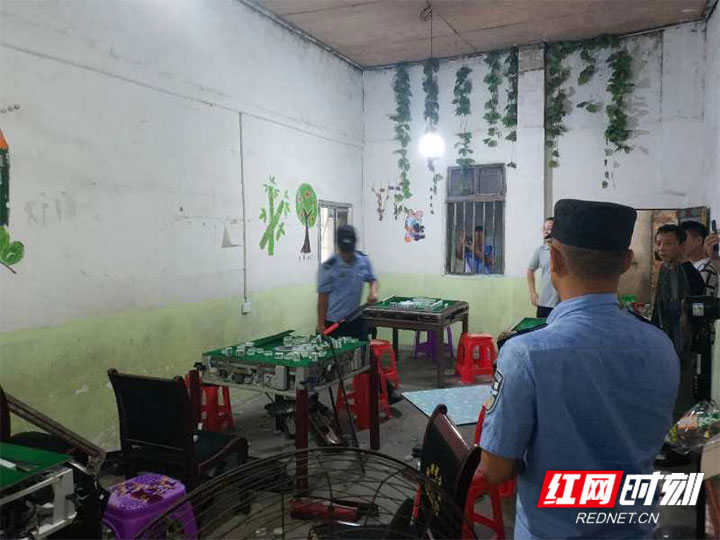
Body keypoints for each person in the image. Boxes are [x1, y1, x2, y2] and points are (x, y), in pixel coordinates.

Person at [479, 199, 679, 539]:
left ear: (554, 259)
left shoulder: (525, 353)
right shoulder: (661, 346)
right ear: (626, 262)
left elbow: (495, 469)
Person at [651, 224, 704, 421]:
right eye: (658, 243)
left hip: (684, 349)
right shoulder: (666, 270)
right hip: (665, 345)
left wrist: (679, 350)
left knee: (681, 401)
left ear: (682, 246)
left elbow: (690, 320)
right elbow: (660, 309)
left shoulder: (690, 275)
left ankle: (681, 439)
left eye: (668, 243)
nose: (662, 248)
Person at [317, 225, 378, 340]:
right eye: (344, 251)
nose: (347, 255)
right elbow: (322, 299)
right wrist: (320, 324)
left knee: (365, 348)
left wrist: (373, 292)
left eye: (349, 250)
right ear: (338, 246)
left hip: (355, 318)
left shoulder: (363, 261)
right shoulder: (329, 266)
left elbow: (373, 279)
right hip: (334, 322)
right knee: (337, 351)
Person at [527, 217, 559, 318]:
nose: (545, 232)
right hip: (544, 303)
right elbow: (530, 270)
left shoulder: (565, 251)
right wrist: (533, 293)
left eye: (549, 228)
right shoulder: (540, 251)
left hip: (561, 304)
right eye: (544, 229)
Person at [680, 220, 718, 297]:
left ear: (698, 240)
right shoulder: (694, 266)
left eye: (684, 239)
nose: (681, 244)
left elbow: (702, 300)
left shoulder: (706, 268)